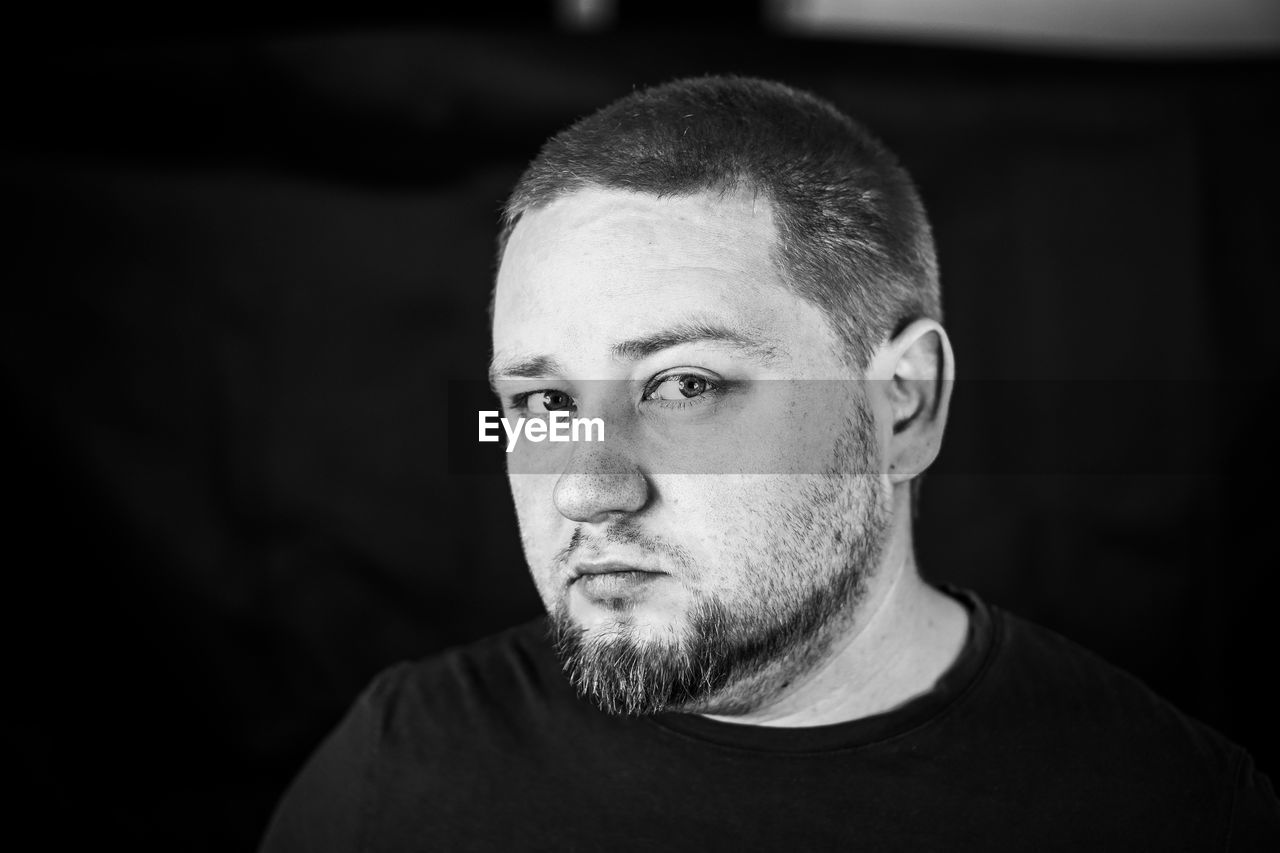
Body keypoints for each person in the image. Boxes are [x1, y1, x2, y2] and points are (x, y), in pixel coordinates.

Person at [260, 76, 1279, 851]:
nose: (585, 484)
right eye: (544, 402)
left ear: (901, 404)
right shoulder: (401, 770)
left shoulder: (1170, 810)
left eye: (685, 385)